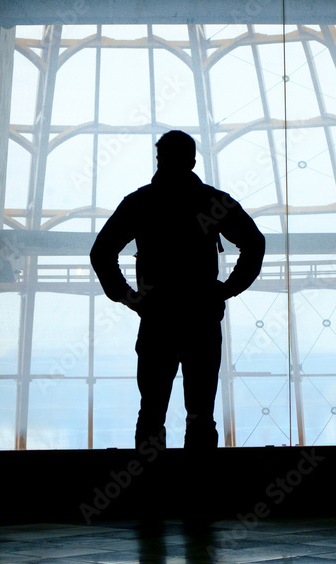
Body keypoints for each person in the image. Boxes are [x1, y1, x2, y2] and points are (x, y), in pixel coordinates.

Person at [90, 130, 265, 457]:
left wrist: (129, 297)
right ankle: (200, 494)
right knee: (200, 415)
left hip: (158, 318)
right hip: (201, 318)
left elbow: (102, 252)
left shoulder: (142, 202)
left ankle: (150, 493)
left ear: (160, 159)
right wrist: (226, 290)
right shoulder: (211, 201)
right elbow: (254, 244)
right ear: (193, 160)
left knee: (152, 412)